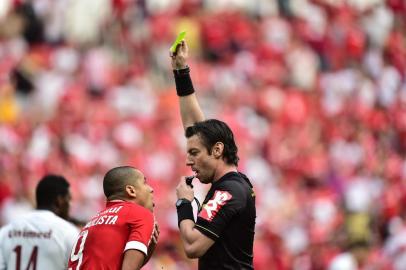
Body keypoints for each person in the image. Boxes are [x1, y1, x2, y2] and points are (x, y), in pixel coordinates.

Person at [170, 40, 256, 269]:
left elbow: (192, 246)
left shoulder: (228, 192)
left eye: (194, 154)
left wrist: (183, 203)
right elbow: (195, 129)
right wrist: (181, 72)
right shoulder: (232, 184)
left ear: (218, 150)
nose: (189, 161)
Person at [68, 166, 159, 270]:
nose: (151, 189)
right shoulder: (140, 214)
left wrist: (148, 249)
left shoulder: (92, 221)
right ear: (131, 191)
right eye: (144, 183)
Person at [0, 174, 80, 270]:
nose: (70, 205)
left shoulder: (7, 231)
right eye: (69, 200)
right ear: (59, 201)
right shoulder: (68, 232)